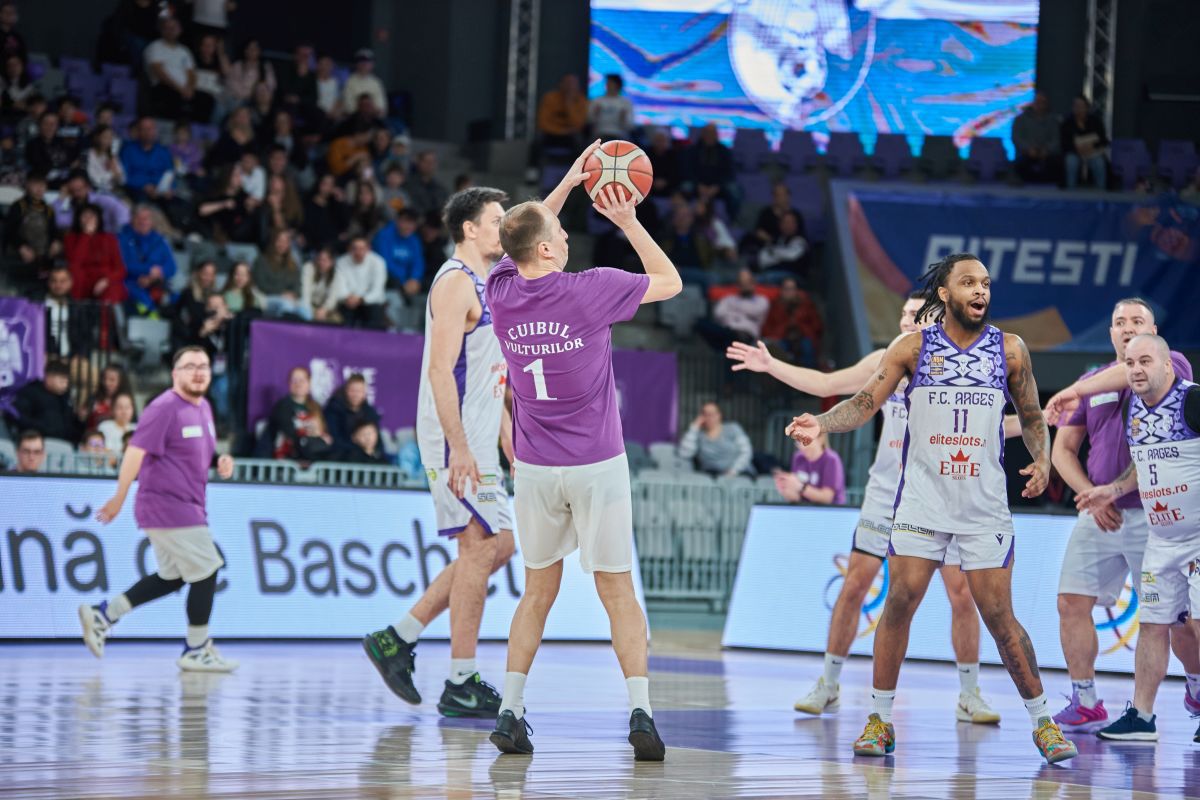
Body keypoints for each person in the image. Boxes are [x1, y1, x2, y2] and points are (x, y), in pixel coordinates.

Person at [785, 252, 1077, 763]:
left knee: (999, 617)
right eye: (969, 282)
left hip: (983, 508)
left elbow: (1032, 415)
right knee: (899, 602)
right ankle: (879, 720)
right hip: (921, 503)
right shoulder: (912, 348)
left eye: (985, 283)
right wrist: (821, 423)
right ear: (945, 293)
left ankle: (1043, 723)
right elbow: (863, 404)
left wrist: (1042, 460)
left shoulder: (1010, 349)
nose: (980, 291)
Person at [730, 294, 1021, 723]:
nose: (904, 320)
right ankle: (828, 683)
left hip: (940, 498)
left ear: (936, 319)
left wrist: (1037, 421)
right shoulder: (888, 359)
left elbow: (994, 425)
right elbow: (827, 385)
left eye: (913, 314)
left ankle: (969, 693)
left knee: (961, 594)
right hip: (886, 495)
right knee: (854, 585)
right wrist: (771, 365)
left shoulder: (961, 366)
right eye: (901, 313)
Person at [484, 142, 681, 759]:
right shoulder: (591, 289)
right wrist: (627, 221)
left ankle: (510, 710)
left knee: (536, 593)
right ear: (546, 250)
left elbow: (522, 234)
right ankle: (641, 714)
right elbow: (671, 282)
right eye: (561, 233)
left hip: (535, 468)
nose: (567, 235)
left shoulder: (499, 291)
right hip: (596, 464)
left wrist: (568, 183)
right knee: (617, 591)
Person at [363, 188, 518, 717]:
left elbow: (487, 369)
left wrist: (504, 430)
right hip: (453, 437)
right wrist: (459, 446)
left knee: (501, 547)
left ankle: (398, 637)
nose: (505, 227)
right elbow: (439, 371)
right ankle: (461, 680)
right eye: (497, 220)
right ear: (469, 229)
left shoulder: (490, 281)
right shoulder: (455, 282)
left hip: (479, 435)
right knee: (479, 547)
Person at [1049, 299, 1200, 731]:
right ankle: (1089, 701)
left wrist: (1079, 389)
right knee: (1071, 601)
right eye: (1119, 322)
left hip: (1158, 517)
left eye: (1137, 321)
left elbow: (1130, 373)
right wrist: (1093, 496)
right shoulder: (1091, 381)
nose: (1128, 327)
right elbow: (1062, 450)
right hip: (1103, 512)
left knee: (1179, 620)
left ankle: (1195, 687)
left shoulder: (1170, 365)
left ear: (1154, 332)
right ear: (1111, 332)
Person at [78, 346, 238, 672]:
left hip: (188, 506)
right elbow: (135, 452)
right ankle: (196, 649)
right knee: (208, 568)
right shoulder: (164, 407)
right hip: (168, 506)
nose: (198, 372)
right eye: (190, 366)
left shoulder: (204, 408)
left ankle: (103, 615)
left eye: (204, 366)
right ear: (175, 373)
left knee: (173, 577)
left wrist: (218, 460)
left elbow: (197, 451)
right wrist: (119, 497)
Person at [4, 171, 59, 291]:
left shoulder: (48, 209)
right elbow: (9, 231)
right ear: (28, 185)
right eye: (36, 184)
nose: (39, 188)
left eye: (42, 185)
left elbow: (53, 231)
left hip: (43, 258)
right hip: (20, 256)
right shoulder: (18, 206)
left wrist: (55, 242)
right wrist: (21, 246)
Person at [144, 17, 207, 121]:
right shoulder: (155, 47)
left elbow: (191, 73)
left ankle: (196, 128)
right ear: (162, 30)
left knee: (207, 100)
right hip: (163, 86)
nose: (171, 31)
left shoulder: (184, 51)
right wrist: (179, 89)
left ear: (180, 30)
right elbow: (158, 72)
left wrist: (190, 88)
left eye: (173, 28)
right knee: (173, 98)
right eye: (167, 28)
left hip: (184, 89)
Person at [118, 205, 177, 315]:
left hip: (155, 282)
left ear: (151, 221)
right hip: (130, 282)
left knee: (177, 299)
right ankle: (152, 319)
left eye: (146, 218)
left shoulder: (159, 240)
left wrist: (153, 276)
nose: (143, 222)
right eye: (139, 218)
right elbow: (123, 265)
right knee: (143, 301)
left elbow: (172, 267)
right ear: (132, 219)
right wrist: (148, 270)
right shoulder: (121, 238)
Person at [266, 366, 333, 461]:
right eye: (294, 380)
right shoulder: (282, 406)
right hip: (288, 457)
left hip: (313, 457)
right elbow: (290, 432)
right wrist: (314, 435)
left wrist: (320, 435)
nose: (298, 384)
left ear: (309, 383)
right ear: (289, 383)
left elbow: (324, 432)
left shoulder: (315, 407)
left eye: (302, 380)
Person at [528, 74, 587, 180]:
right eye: (567, 83)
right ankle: (532, 174)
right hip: (552, 134)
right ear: (561, 84)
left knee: (580, 143)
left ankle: (578, 174)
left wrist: (569, 103)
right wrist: (562, 131)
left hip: (569, 136)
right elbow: (543, 122)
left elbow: (578, 124)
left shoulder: (581, 100)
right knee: (537, 141)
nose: (570, 87)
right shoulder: (550, 98)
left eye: (573, 84)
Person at [65, 204, 127, 305]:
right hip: (82, 281)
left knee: (113, 291)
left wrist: (107, 280)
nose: (88, 220)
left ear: (98, 219)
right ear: (78, 219)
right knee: (74, 276)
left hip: (105, 279)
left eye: (92, 216)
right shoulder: (71, 238)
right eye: (85, 216)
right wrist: (86, 236)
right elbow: (75, 262)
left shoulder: (110, 239)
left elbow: (120, 269)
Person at [677, 401, 752, 477]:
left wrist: (733, 471)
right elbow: (685, 454)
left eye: (712, 414)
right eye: (705, 414)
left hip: (740, 474)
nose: (708, 417)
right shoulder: (698, 435)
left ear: (719, 415)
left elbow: (746, 452)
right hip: (711, 476)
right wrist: (694, 427)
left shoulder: (733, 428)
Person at [327, 237, 387, 329]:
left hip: (370, 302)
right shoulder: (341, 262)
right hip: (348, 301)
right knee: (342, 319)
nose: (358, 252)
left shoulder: (378, 262)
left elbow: (377, 290)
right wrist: (348, 297)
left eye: (362, 248)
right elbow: (339, 287)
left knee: (375, 316)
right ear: (349, 249)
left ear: (368, 249)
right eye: (355, 248)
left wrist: (361, 299)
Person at [13, 359, 79, 442]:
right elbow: (21, 419)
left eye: (67, 382)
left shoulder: (65, 398)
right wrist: (44, 429)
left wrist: (80, 420)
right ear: (49, 377)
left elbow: (70, 426)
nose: (65, 385)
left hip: (63, 443)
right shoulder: (30, 393)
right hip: (36, 443)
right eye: (62, 380)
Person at [681, 122, 739, 218]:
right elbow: (687, 170)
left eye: (712, 133)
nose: (709, 135)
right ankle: (684, 216)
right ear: (702, 134)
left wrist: (717, 186)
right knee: (685, 188)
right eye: (707, 132)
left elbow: (729, 173)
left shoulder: (724, 151)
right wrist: (698, 185)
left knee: (734, 191)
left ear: (716, 135)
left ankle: (732, 219)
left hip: (718, 186)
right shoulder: (692, 150)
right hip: (697, 184)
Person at [760, 278, 822, 366]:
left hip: (803, 337)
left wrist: (800, 326)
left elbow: (817, 325)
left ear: (796, 291)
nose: (789, 292)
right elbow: (767, 328)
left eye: (792, 289)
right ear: (781, 290)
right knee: (778, 350)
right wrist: (782, 329)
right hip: (781, 338)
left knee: (807, 347)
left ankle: (808, 372)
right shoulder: (775, 306)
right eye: (786, 289)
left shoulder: (806, 304)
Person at [775, 433, 845, 505]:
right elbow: (797, 498)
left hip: (830, 510)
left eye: (806, 441)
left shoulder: (831, 460)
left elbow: (827, 499)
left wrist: (800, 486)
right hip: (805, 509)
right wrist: (786, 489)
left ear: (821, 438)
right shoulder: (798, 458)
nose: (802, 447)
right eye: (799, 441)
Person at [252, 228, 307, 318]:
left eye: (286, 242)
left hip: (289, 298)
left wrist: (294, 294)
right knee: (286, 305)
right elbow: (261, 285)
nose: (282, 244)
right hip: (266, 298)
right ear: (273, 242)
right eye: (280, 241)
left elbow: (297, 285)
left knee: (305, 308)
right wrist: (281, 293)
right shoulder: (261, 261)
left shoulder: (292, 264)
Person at [120, 117, 175, 204]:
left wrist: (170, 188)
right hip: (138, 190)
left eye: (150, 129)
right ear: (138, 132)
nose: (148, 132)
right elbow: (124, 176)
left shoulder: (163, 151)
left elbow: (170, 173)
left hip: (161, 191)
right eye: (144, 129)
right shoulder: (128, 150)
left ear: (155, 131)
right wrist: (144, 186)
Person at [323, 373, 381, 455]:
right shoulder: (333, 410)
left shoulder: (370, 413)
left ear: (365, 393)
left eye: (359, 391)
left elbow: (378, 442)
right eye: (352, 390)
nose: (355, 395)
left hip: (366, 456)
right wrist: (360, 449)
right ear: (346, 391)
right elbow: (335, 439)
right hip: (340, 455)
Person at [372, 208, 425, 298]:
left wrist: (414, 278)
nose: (409, 226)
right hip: (390, 278)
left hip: (408, 281)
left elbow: (418, 262)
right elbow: (385, 262)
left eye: (412, 223)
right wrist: (403, 281)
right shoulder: (384, 236)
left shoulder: (414, 239)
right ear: (397, 220)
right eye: (406, 222)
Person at [1012, 91, 1062, 185]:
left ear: (1047, 104)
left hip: (1047, 154)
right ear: (1033, 102)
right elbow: (1016, 138)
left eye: (1043, 102)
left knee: (1057, 164)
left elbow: (1056, 139)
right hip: (1026, 153)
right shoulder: (1020, 119)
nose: (1040, 105)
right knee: (1019, 164)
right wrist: (1028, 149)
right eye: (1037, 102)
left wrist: (1047, 150)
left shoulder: (1053, 120)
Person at [1061, 95, 1108, 190]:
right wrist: (1077, 148)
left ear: (1087, 107)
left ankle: (1101, 191)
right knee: (1071, 161)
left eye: (1081, 106)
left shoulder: (1095, 121)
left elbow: (1103, 140)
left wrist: (1091, 146)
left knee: (1099, 162)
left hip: (1093, 152)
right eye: (1076, 106)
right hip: (1074, 152)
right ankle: (1070, 190)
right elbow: (1064, 143)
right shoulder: (1067, 123)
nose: (1078, 109)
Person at [24, 111, 74, 187]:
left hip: (65, 185)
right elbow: (40, 169)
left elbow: (71, 165)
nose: (49, 127)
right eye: (46, 123)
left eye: (53, 124)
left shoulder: (65, 143)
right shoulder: (32, 145)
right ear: (40, 125)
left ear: (58, 126)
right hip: (41, 185)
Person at [80, 364, 133, 431]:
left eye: (112, 380)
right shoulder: (94, 399)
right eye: (104, 379)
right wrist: (82, 417)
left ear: (121, 382)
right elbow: (81, 423)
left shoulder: (126, 400)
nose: (107, 383)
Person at [757, 210, 809, 276]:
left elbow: (791, 256)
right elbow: (763, 257)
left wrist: (774, 254)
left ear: (797, 224)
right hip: (770, 272)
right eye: (784, 222)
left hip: (792, 275)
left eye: (790, 222)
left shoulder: (801, 241)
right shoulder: (777, 239)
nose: (787, 225)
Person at [225, 38, 274, 104]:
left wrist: (257, 94)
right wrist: (243, 94)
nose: (252, 51)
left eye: (255, 48)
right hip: (234, 98)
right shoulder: (238, 65)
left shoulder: (265, 66)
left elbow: (271, 85)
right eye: (250, 48)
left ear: (259, 51)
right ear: (245, 51)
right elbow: (230, 82)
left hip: (255, 101)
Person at [341, 49, 387, 118]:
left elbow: (382, 107)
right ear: (357, 63)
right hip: (355, 119)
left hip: (374, 118)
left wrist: (373, 111)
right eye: (361, 61)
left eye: (367, 61)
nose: (364, 64)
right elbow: (349, 108)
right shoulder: (349, 82)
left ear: (372, 64)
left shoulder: (377, 83)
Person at [589, 73, 634, 141]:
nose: (608, 85)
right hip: (600, 133)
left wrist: (623, 119)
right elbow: (589, 121)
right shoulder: (597, 101)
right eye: (607, 83)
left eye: (611, 83)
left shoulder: (625, 103)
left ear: (618, 85)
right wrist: (595, 114)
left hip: (619, 134)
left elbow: (630, 126)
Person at [300, 246, 338, 321]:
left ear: (332, 262)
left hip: (325, 308)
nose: (321, 263)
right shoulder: (308, 268)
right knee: (305, 315)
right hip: (308, 305)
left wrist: (324, 309)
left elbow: (333, 298)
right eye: (319, 259)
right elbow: (305, 293)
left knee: (336, 320)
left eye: (325, 260)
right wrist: (308, 311)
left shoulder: (336, 274)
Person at [407, 150, 449, 217]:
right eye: (426, 161)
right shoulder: (408, 184)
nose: (429, 165)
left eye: (432, 162)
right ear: (419, 163)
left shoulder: (440, 187)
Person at [86, 125, 126, 193]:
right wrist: (112, 175)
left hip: (113, 191)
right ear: (96, 138)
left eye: (110, 138)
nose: (108, 141)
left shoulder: (111, 156)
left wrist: (115, 169)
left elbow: (123, 180)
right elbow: (95, 180)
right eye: (105, 137)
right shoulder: (87, 155)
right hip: (95, 192)